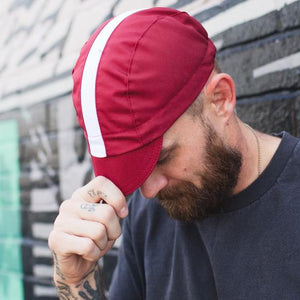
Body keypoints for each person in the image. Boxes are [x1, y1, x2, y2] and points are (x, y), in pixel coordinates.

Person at [48, 7, 300, 300]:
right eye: (135, 172)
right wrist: (76, 282)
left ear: (221, 100)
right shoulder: (148, 215)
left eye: (163, 158)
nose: (149, 191)